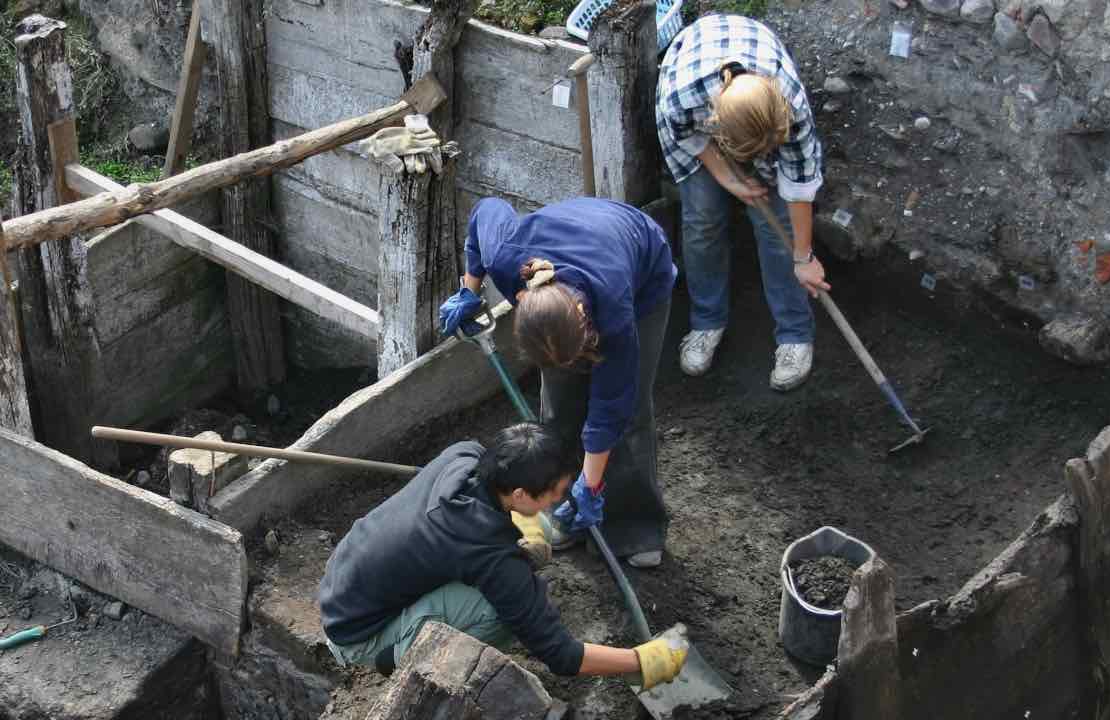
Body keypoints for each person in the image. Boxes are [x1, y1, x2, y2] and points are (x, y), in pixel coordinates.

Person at [317, 423, 687, 687]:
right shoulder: (488, 555)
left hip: (343, 583)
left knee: (535, 532)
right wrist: (642, 660)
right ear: (522, 494)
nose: (562, 498)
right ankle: (399, 656)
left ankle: (409, 627)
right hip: (357, 634)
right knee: (501, 613)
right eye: (556, 492)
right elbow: (560, 654)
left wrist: (525, 532)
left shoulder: (463, 455)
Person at [439, 197, 677, 568]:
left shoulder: (614, 306)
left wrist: (592, 483)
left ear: (585, 320)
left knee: (627, 419)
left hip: (641, 265)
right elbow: (485, 211)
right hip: (572, 256)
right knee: (560, 406)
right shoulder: (506, 258)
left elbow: (611, 406)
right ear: (522, 301)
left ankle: (633, 529)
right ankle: (565, 507)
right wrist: (470, 290)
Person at [656, 13, 830, 391]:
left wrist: (804, 257)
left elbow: (798, 183)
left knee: (775, 224)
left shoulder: (791, 105)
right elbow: (685, 133)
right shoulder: (683, 98)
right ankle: (706, 321)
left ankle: (795, 333)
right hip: (697, 122)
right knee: (703, 217)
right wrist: (726, 176)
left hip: (749, 96)